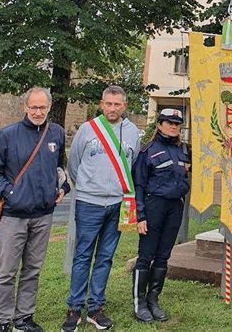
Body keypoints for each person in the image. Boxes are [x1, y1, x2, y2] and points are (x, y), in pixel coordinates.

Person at [61, 85, 140, 331]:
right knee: (83, 255)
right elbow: (73, 164)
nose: (112, 108)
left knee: (105, 257)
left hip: (117, 203)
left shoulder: (133, 132)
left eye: (117, 104)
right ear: (101, 104)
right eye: (108, 103)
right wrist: (88, 186)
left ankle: (96, 307)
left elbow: (132, 162)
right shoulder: (87, 130)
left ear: (124, 106)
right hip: (89, 202)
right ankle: (74, 307)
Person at [0, 87, 70, 332]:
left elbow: (58, 167)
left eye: (43, 107)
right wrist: (10, 193)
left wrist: (63, 187)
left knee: (32, 270)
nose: (38, 112)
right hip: (13, 216)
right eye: (33, 107)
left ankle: (23, 318)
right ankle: (2, 320)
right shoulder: (7, 135)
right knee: (6, 272)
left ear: (49, 107)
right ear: (25, 107)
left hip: (43, 215)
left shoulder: (56, 133)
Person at [131, 108, 190, 323]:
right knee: (146, 255)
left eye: (177, 123)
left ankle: (153, 299)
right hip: (153, 206)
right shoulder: (148, 151)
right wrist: (141, 216)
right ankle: (139, 304)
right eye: (168, 122)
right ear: (159, 125)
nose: (173, 126)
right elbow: (138, 185)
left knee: (163, 255)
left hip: (175, 207)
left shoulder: (184, 150)